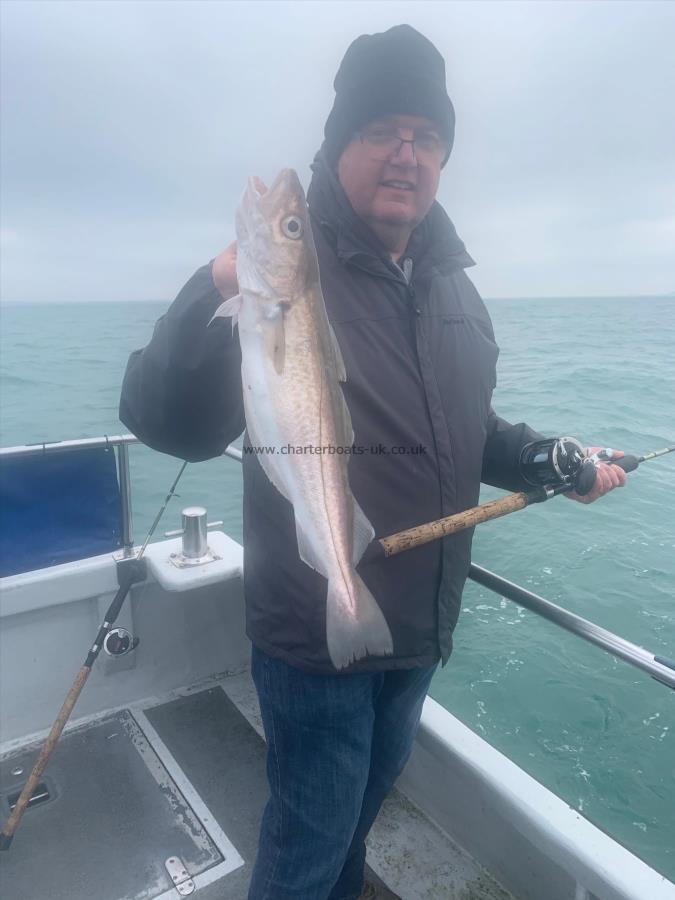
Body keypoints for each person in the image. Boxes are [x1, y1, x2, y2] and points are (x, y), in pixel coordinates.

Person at [119, 24, 627, 900]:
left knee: (359, 816)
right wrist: (217, 284)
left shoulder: (454, 288)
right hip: (314, 628)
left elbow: (470, 430)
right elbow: (171, 425)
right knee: (309, 839)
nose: (406, 155)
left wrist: (548, 459)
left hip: (416, 625)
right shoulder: (283, 279)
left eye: (426, 137)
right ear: (338, 143)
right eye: (381, 130)